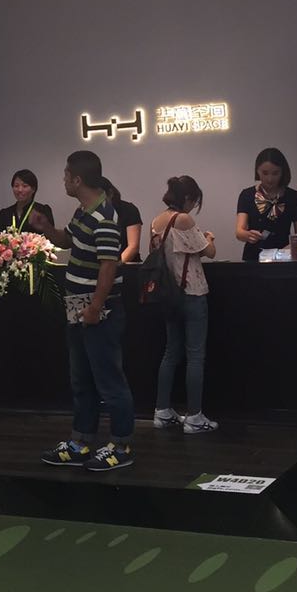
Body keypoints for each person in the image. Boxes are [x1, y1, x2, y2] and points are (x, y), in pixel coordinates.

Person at [29, 151, 135, 471]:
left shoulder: (104, 217)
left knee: (109, 379)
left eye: (66, 175)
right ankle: (81, 441)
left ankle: (121, 445)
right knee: (81, 378)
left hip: (97, 308)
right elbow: (68, 241)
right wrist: (47, 227)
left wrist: (95, 307)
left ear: (77, 180)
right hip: (78, 304)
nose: (63, 179)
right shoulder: (83, 211)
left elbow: (108, 266)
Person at [150, 175, 218, 433]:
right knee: (195, 356)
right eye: (194, 201)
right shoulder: (184, 220)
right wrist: (209, 237)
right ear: (188, 197)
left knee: (170, 353)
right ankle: (195, 417)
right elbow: (208, 252)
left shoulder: (157, 221)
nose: (193, 207)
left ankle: (162, 411)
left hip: (169, 295)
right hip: (192, 292)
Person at [236, 148, 297, 261]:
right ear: (257, 171)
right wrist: (247, 235)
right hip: (254, 257)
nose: (269, 179)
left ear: (283, 172)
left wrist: (292, 247)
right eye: (264, 173)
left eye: (275, 173)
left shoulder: (293, 196)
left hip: (284, 256)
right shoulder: (247, 195)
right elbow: (239, 232)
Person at [0, 169, 54, 234]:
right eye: (16, 186)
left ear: (33, 189)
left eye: (24, 186)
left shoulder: (43, 211)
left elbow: (51, 236)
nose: (20, 190)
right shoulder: (5, 214)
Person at [100, 177, 143, 263]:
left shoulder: (128, 210)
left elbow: (133, 247)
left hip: (126, 266)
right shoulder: (89, 212)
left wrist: (115, 265)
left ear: (110, 193)